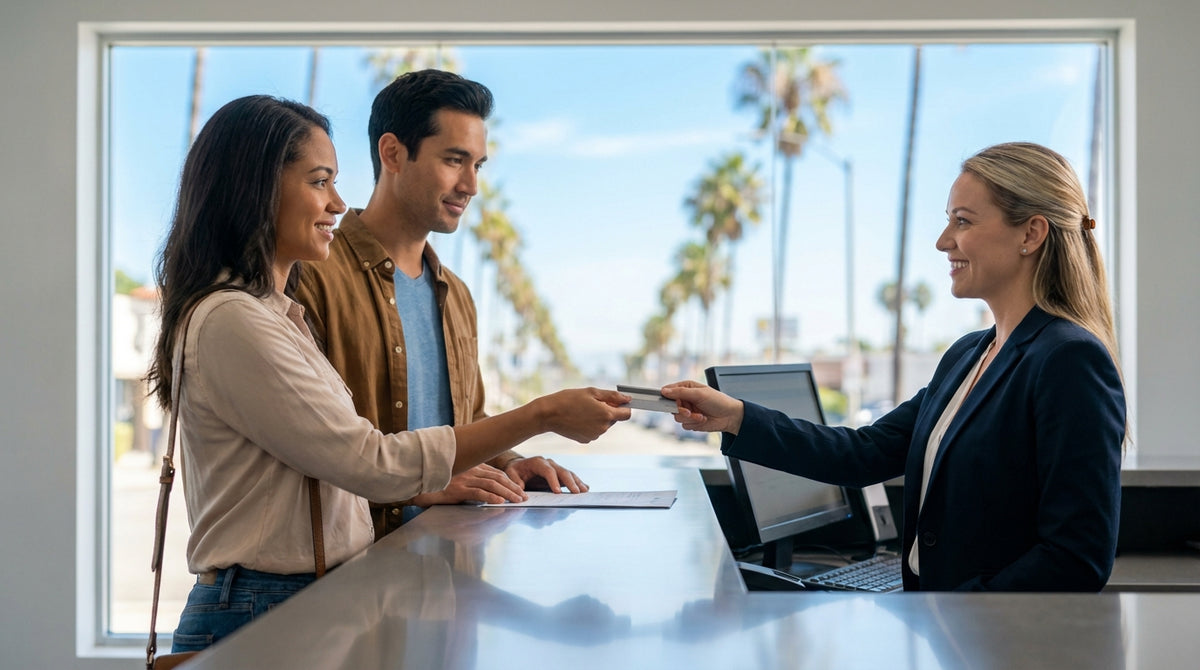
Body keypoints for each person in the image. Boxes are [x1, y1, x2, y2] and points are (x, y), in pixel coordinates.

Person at [146, 94, 629, 652]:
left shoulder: (280, 314)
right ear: (255, 188)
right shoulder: (236, 319)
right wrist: (542, 414)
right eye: (319, 181)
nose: (336, 202)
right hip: (267, 602)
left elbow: (394, 444)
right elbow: (366, 461)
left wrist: (510, 462)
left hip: (328, 595)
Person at [662, 141, 1126, 592]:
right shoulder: (969, 354)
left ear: (1031, 233)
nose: (944, 241)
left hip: (995, 648)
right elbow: (863, 452)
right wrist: (736, 416)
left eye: (962, 222)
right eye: (948, 221)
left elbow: (1075, 557)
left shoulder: (1069, 359)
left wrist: (955, 621)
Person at [296, 69, 594, 537]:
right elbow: (312, 447)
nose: (471, 185)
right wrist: (418, 488)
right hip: (352, 572)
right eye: (455, 160)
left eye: (478, 165)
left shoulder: (455, 295)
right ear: (392, 153)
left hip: (444, 571)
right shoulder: (311, 277)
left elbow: (466, 423)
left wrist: (512, 464)